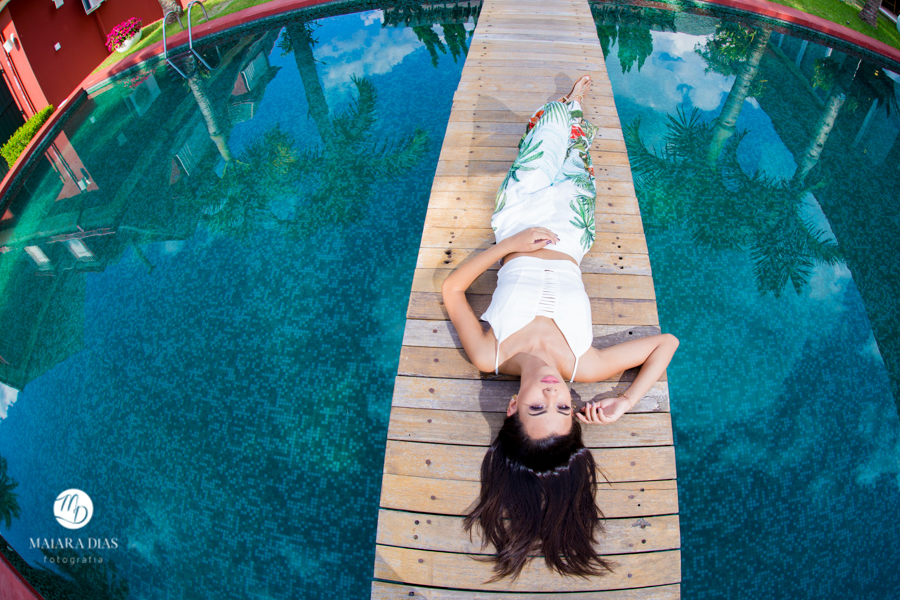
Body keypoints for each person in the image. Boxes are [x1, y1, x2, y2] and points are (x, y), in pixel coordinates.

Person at [440, 75, 679, 580]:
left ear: (511, 407)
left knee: (549, 126)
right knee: (576, 155)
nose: (552, 393)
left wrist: (510, 246)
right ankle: (576, 115)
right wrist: (627, 401)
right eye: (564, 408)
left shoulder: (491, 354)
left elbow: (452, 291)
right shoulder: (584, 365)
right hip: (573, 227)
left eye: (535, 408)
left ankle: (564, 106)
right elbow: (666, 343)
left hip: (519, 218)